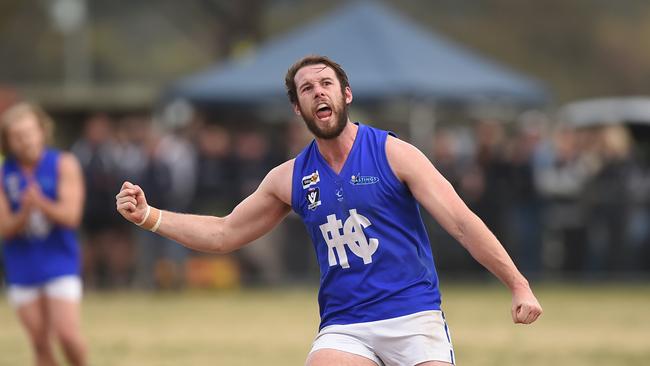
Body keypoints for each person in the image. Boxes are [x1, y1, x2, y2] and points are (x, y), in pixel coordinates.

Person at [116, 55, 542, 366]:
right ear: (298, 109)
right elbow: (225, 232)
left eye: (326, 83)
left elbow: (463, 224)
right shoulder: (290, 177)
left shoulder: (395, 154)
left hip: (414, 317)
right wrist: (150, 216)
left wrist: (518, 284)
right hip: (346, 326)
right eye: (307, 88)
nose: (318, 91)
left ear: (345, 94)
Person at [0, 102, 87, 366]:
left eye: (29, 132)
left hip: (59, 259)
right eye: (17, 136)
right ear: (8, 141)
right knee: (39, 341)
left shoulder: (63, 163)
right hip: (21, 263)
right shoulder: (4, 174)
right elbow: (4, 229)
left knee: (67, 335)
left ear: (42, 131)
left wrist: (41, 205)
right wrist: (25, 213)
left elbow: (71, 217)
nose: (25, 140)